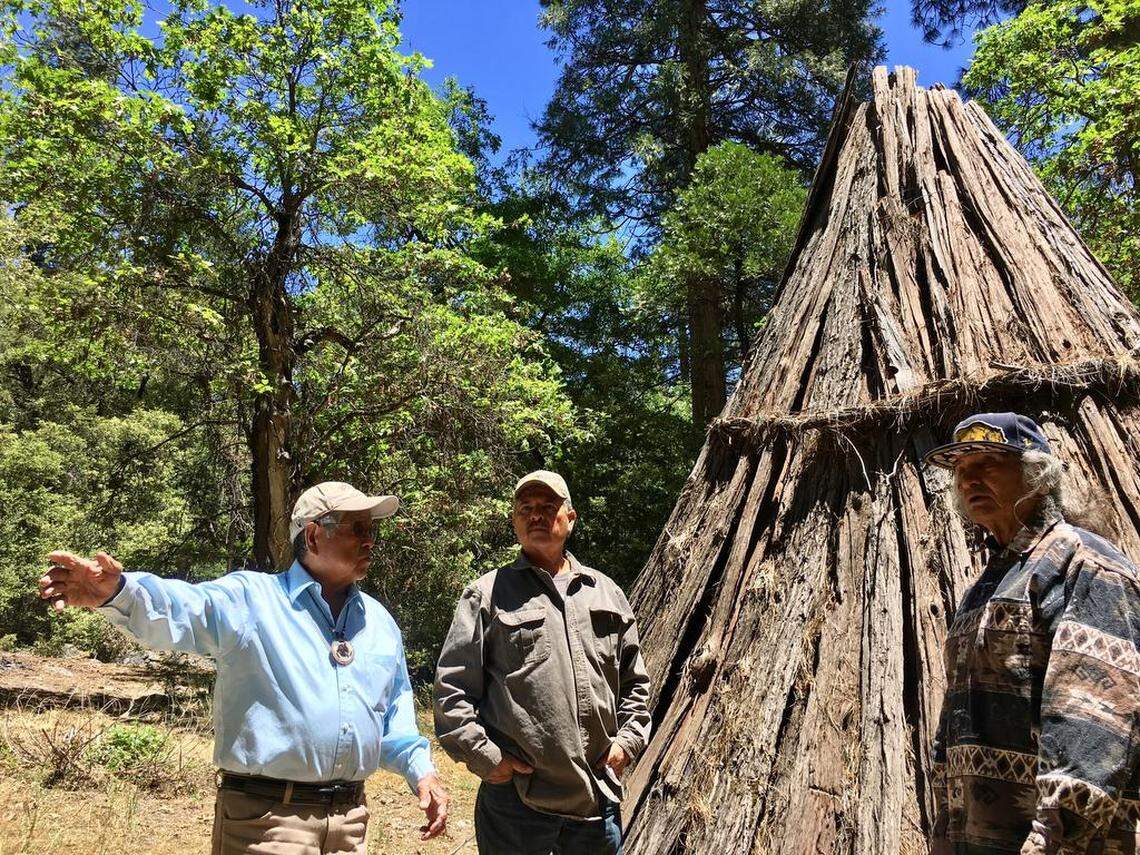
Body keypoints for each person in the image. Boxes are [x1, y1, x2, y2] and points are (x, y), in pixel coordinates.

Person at [39, 481, 448, 854]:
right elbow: (184, 607)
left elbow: (394, 714)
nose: (370, 541)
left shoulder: (378, 622)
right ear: (312, 534)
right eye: (358, 529)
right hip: (267, 822)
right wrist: (120, 592)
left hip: (350, 822)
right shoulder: (252, 600)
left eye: (372, 531)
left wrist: (422, 772)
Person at [924, 413, 1140, 853]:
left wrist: (1054, 833)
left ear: (1036, 474)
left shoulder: (1081, 564)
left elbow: (1094, 717)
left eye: (986, 464)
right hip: (984, 834)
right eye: (961, 471)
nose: (969, 479)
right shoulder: (988, 584)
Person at [434, 470, 652, 854]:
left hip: (595, 802)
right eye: (526, 509)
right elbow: (451, 693)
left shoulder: (606, 594)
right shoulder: (486, 595)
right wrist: (488, 759)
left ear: (570, 518)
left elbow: (635, 684)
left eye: (548, 507)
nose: (536, 516)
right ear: (515, 520)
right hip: (516, 806)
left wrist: (626, 743)